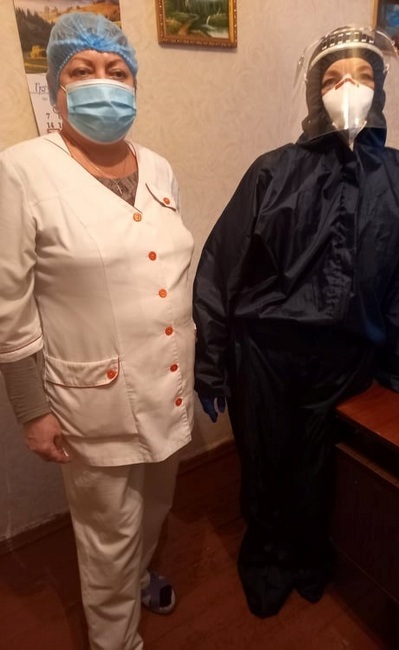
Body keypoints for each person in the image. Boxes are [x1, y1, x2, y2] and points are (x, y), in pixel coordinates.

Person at [193, 26, 399, 618]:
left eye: (361, 76)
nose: (347, 88)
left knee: (320, 466)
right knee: (264, 461)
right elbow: (221, 267)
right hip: (266, 354)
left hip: (347, 358)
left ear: (380, 88)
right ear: (313, 93)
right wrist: (212, 363)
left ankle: (309, 556)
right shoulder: (273, 171)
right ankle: (266, 559)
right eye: (332, 79)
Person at [0, 12, 195, 650]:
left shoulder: (159, 167)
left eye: (116, 71)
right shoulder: (21, 171)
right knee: (107, 534)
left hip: (168, 380)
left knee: (156, 507)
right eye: (82, 71)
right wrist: (32, 409)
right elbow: (8, 304)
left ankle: (137, 580)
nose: (102, 82)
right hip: (92, 397)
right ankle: (116, 642)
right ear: (56, 86)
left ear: (134, 83)